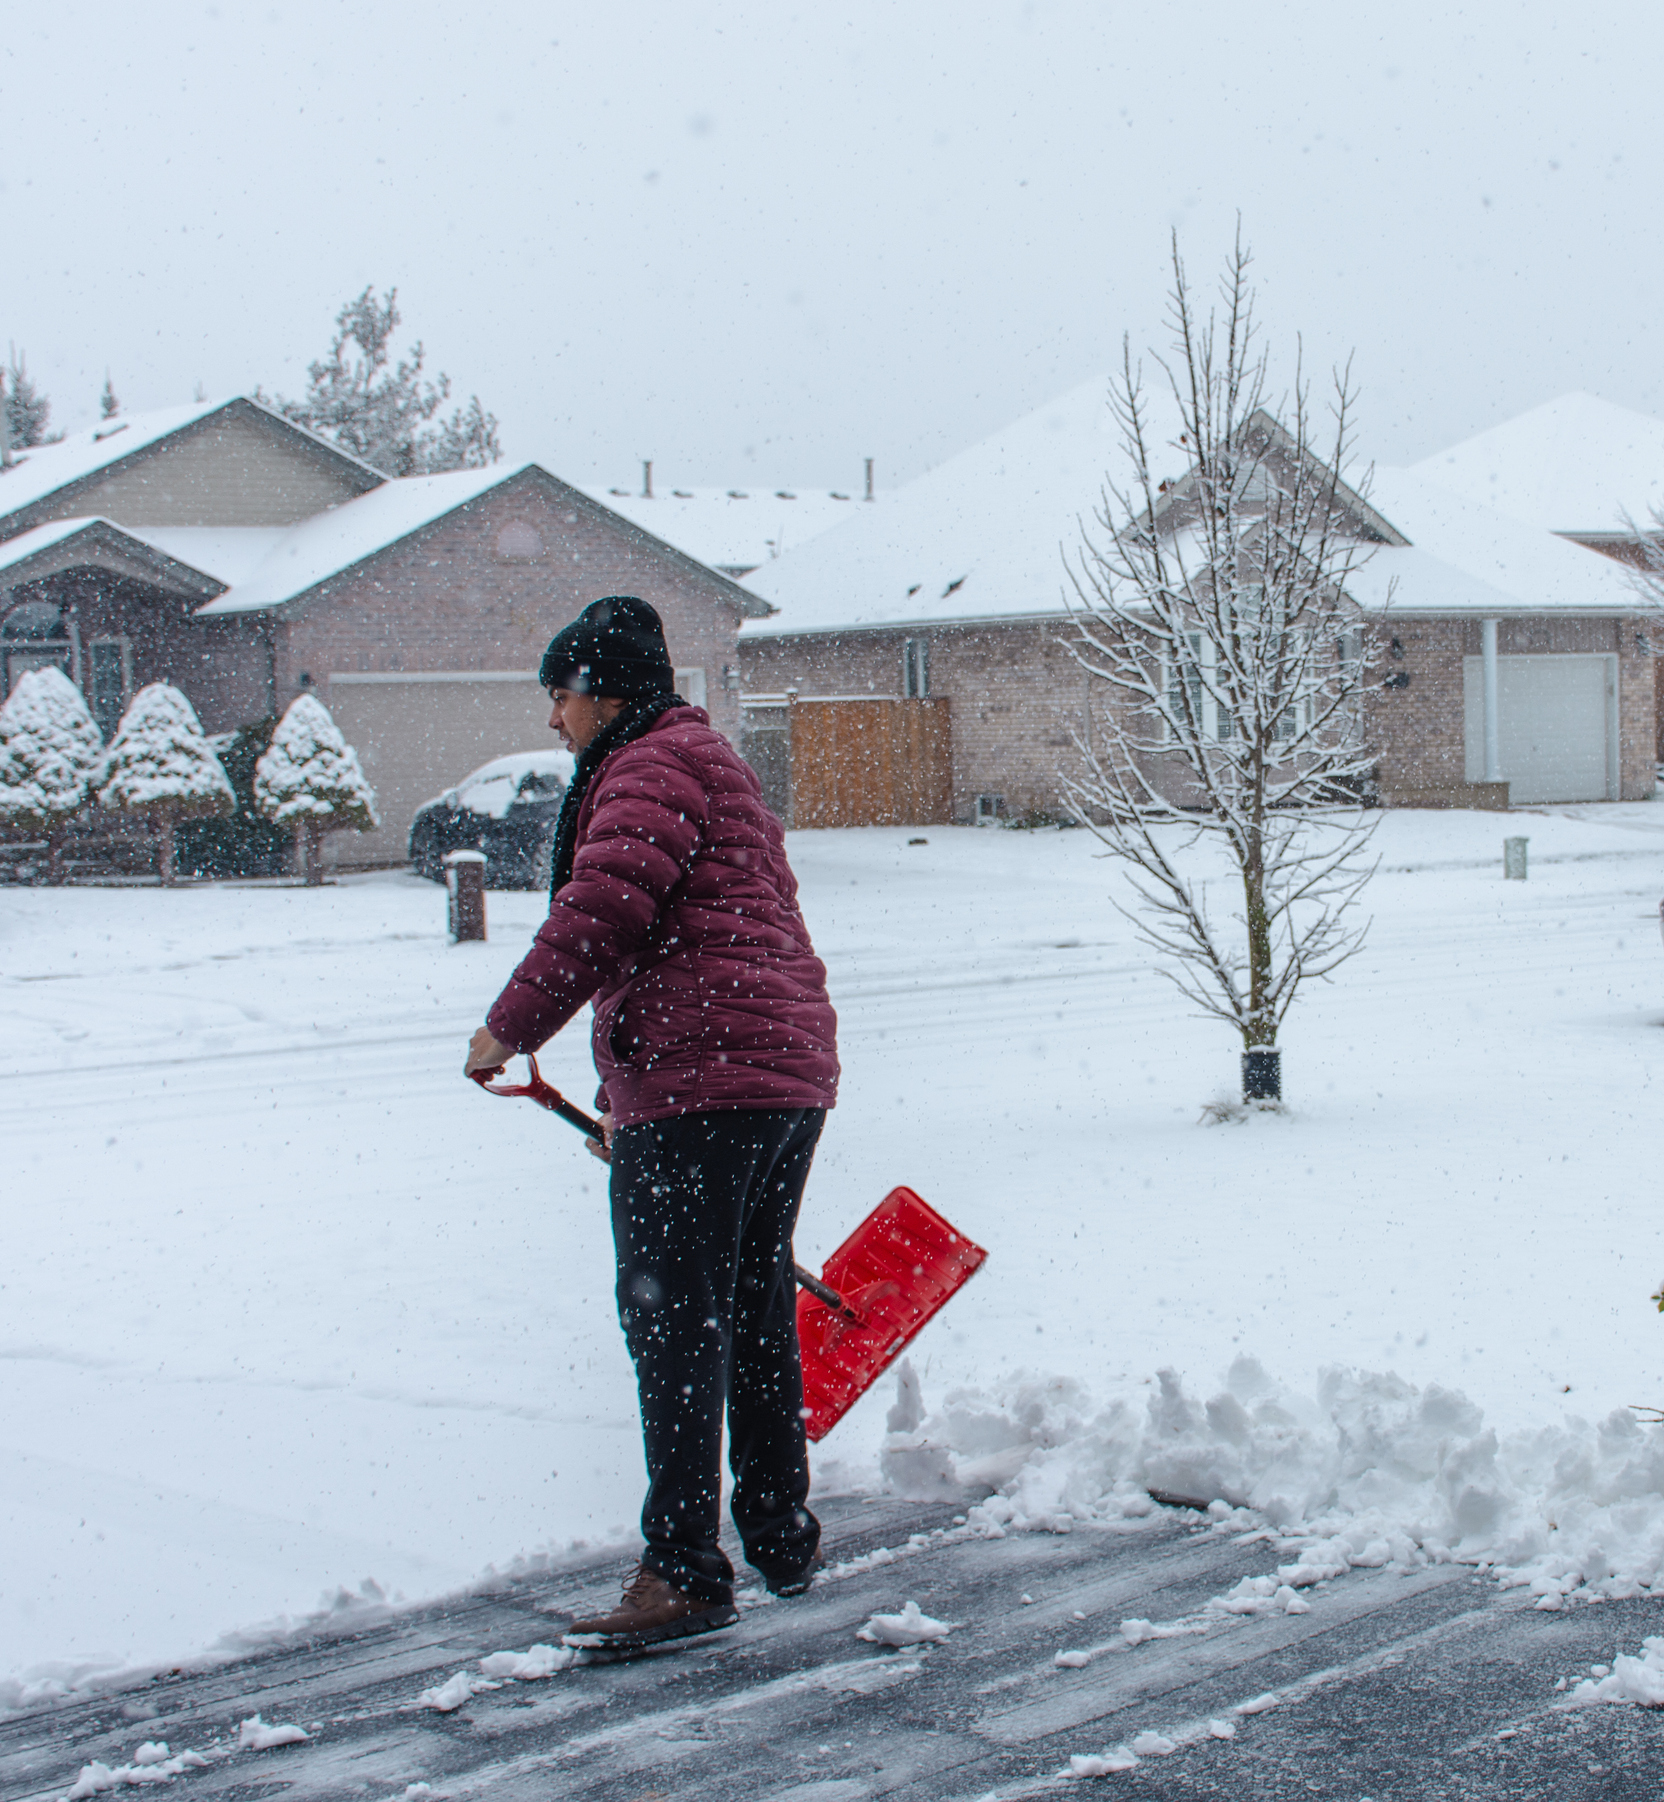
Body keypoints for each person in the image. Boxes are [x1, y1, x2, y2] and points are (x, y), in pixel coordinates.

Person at [464, 595, 839, 1654]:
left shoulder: (644, 767)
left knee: (675, 1324)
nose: (553, 718)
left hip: (708, 1072)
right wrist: (641, 1106)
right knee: (752, 1305)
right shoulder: (707, 759)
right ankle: (778, 1531)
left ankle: (683, 1568)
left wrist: (509, 1026)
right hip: (778, 1072)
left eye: (561, 693)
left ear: (604, 688)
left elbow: (604, 907)